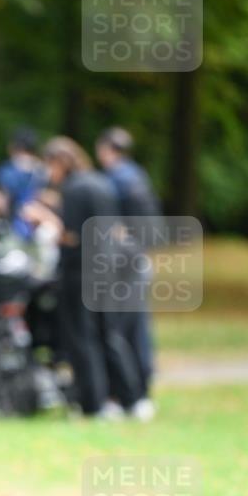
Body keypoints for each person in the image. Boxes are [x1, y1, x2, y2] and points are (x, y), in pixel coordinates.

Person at [23, 137, 142, 417]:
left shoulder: (74, 189)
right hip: (108, 269)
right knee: (108, 335)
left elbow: (72, 236)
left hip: (80, 272)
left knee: (82, 337)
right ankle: (132, 398)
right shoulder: (100, 183)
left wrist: (45, 219)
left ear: (59, 162)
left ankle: (94, 403)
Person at [95, 127, 160, 416]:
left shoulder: (113, 180)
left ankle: (124, 395)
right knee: (139, 327)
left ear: (107, 149)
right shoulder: (139, 177)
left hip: (121, 265)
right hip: (140, 259)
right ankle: (141, 390)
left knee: (117, 329)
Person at [0, 126, 46, 247]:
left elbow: (3, 198)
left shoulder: (8, 169)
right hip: (40, 226)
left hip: (13, 226)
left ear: (12, 147)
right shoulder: (44, 169)